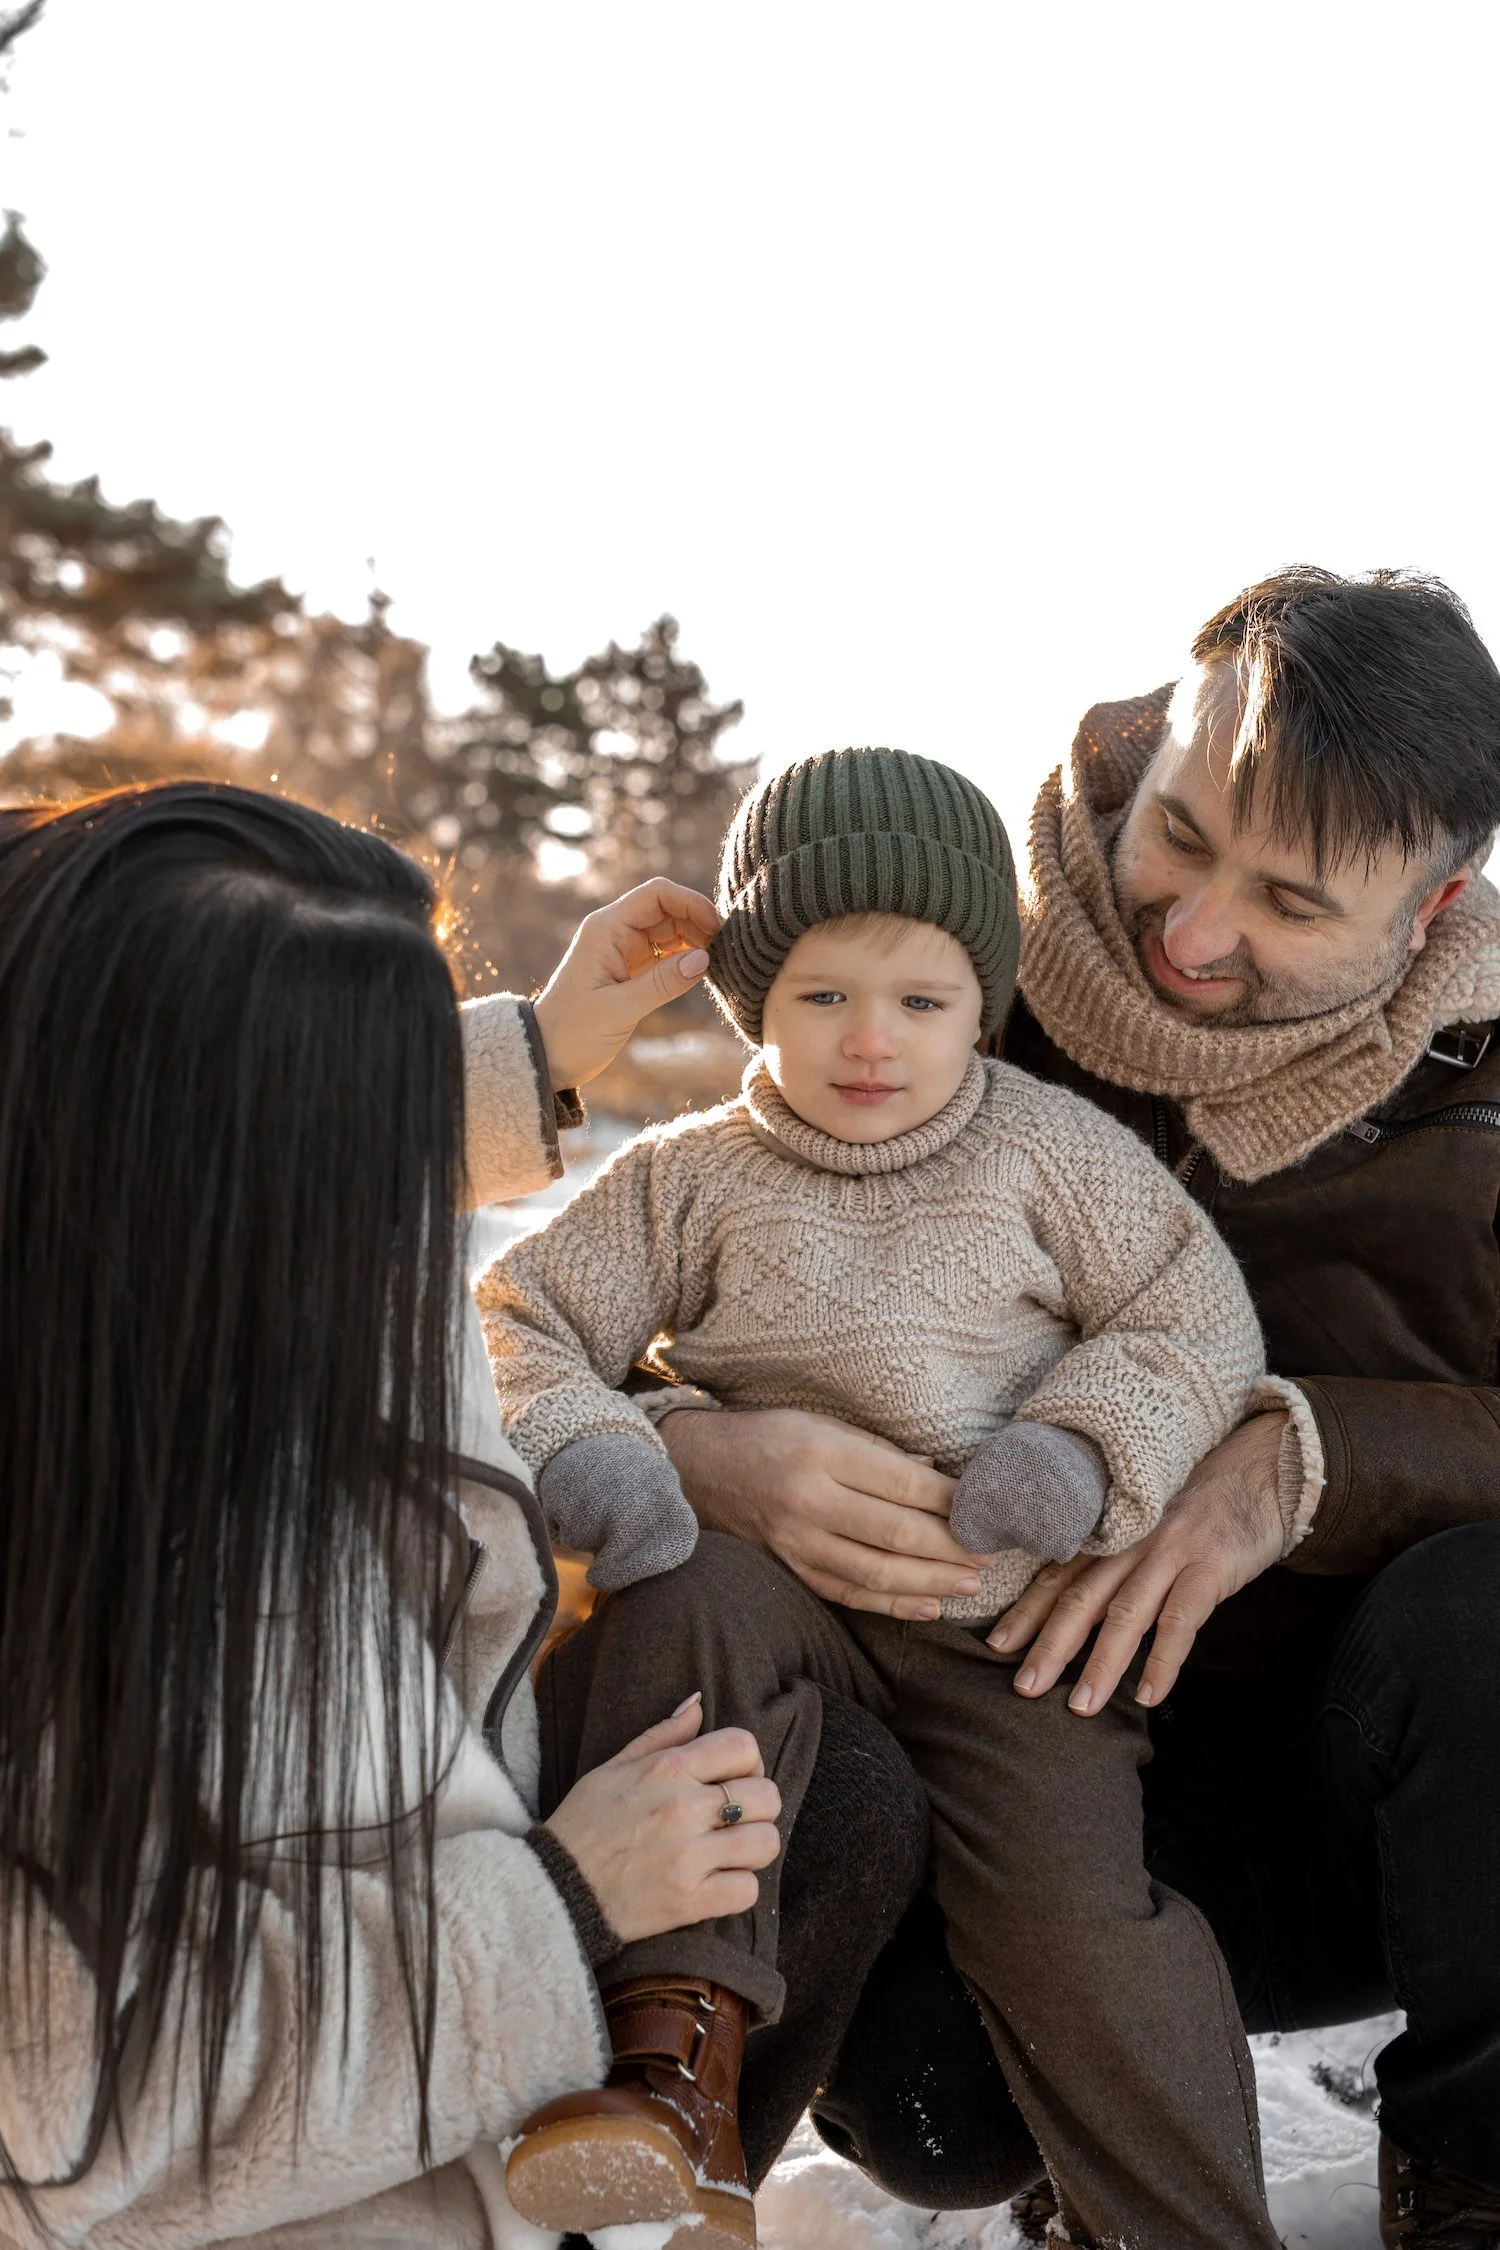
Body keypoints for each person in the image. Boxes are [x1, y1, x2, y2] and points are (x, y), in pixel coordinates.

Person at [641, 569, 1500, 2250]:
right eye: (1178, 831)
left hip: (1380, 1804)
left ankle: (1478, 2176)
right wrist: (711, 1448)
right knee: (929, 2102)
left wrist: (1304, 1453)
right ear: (1139, 740)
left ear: (1432, 906)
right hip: (997, 1765)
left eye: (1290, 901)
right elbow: (648, 1294)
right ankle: (1036, 2131)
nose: (1188, 935)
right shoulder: (940, 980)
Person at [0, 784, 925, 2250]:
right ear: (187, 1181)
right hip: (256, 2188)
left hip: (430, 1934)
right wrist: (560, 1900)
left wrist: (543, 1049)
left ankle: (670, 2169)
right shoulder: (83, 1559)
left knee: (828, 1784)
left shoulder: (158, 1274)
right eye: (372, 1130)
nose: (401, 1197)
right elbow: (85, 2103)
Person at [481, 746, 1319, 2250]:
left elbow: (1192, 1322)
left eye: (920, 1001)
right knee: (684, 1616)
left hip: (1006, 1626)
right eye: (821, 996)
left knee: (1075, 1919)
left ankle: (1190, 2222)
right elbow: (519, 1315)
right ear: (753, 997)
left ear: (978, 1004)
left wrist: (1076, 1447)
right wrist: (608, 1449)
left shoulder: (1052, 1151)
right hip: (772, 1592)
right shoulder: (691, 1175)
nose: (871, 1040)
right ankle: (674, 2064)